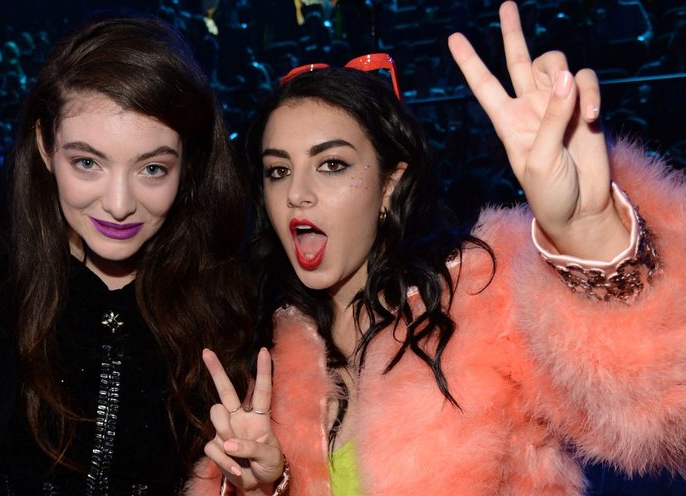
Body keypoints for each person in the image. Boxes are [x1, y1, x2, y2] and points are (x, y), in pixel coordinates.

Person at [188, 2, 686, 495]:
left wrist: (589, 233)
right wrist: (267, 486)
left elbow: (660, 415)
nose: (297, 193)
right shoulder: (264, 353)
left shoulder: (484, 301)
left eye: (332, 164)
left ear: (390, 185)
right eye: (278, 170)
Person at [0, 14, 253, 495]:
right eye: (87, 162)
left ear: (188, 163)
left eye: (152, 169)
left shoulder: (230, 295)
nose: (119, 205)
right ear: (45, 146)